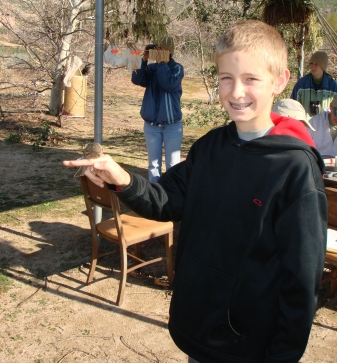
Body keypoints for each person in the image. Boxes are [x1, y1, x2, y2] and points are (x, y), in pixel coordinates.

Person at [64, 20, 327, 363]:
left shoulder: (294, 170)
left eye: (251, 79)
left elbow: (302, 281)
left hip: (248, 347)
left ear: (279, 81)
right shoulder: (209, 148)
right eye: (226, 78)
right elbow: (166, 201)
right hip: (199, 330)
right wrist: (121, 179)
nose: (236, 92)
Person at [131, 37, 184, 182]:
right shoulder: (152, 68)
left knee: (173, 165)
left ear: (169, 52)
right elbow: (137, 79)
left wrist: (161, 63)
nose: (157, 52)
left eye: (160, 50)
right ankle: (154, 195)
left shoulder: (177, 68)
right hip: (151, 125)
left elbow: (167, 83)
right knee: (153, 165)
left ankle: (172, 196)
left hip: (172, 126)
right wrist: (144, 60)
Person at [291, 50, 337, 119]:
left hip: (325, 128)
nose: (313, 66)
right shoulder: (301, 84)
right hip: (305, 127)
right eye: (311, 63)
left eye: (316, 64)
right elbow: (292, 107)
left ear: (323, 66)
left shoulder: (333, 86)